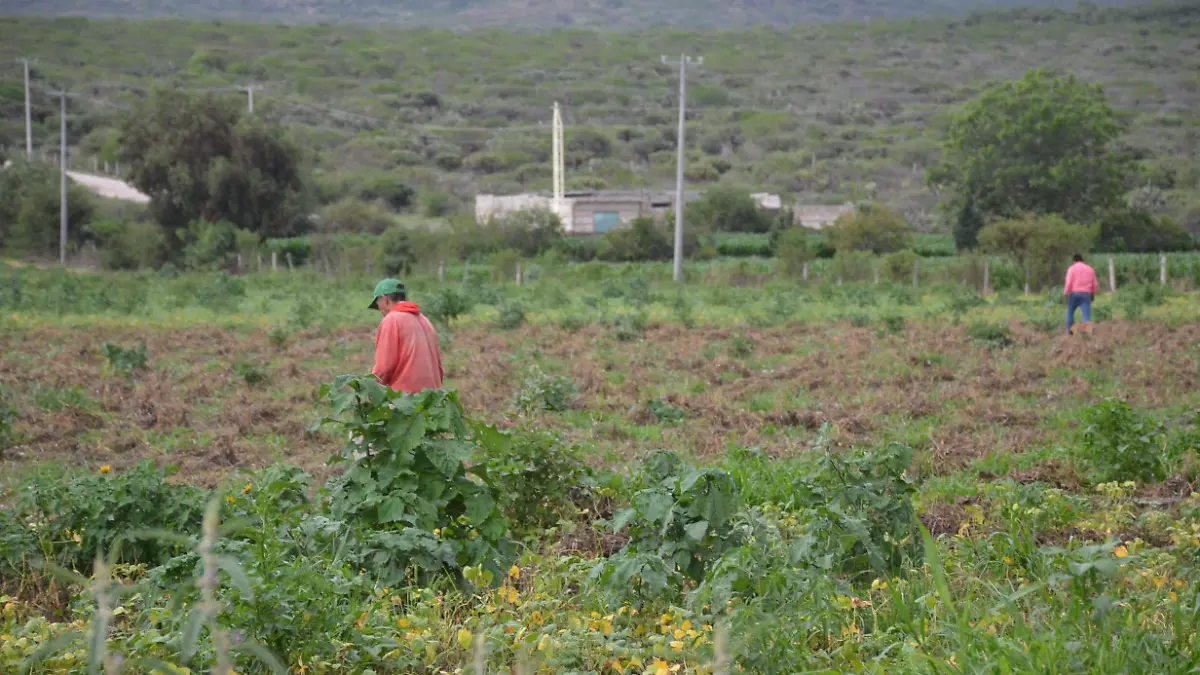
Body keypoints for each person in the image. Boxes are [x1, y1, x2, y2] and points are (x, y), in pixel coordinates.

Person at [368, 278, 443, 393]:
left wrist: (370, 388)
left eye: (378, 303)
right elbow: (438, 366)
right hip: (432, 397)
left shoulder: (391, 320)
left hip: (406, 400)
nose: (379, 308)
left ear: (385, 299)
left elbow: (384, 367)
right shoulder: (425, 320)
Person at [1063, 253, 1098, 335]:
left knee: (1070, 312)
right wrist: (1093, 294)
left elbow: (1068, 283)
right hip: (1086, 295)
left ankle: (1070, 331)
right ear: (1082, 260)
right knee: (1086, 315)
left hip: (1074, 294)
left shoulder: (1072, 269)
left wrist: (1066, 293)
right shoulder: (1090, 269)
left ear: (1074, 260)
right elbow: (1095, 284)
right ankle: (1086, 333)